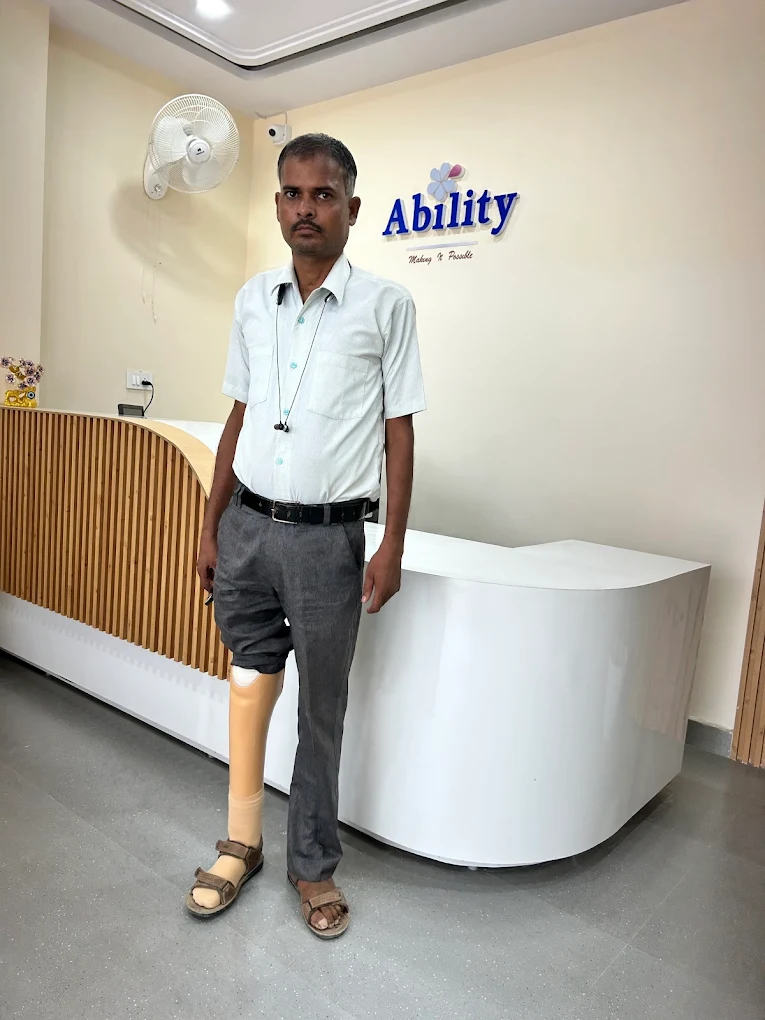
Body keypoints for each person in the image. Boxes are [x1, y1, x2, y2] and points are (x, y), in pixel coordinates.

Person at [185, 133, 426, 938]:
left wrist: (391, 544)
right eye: (292, 193)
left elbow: (398, 432)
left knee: (321, 707)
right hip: (247, 528)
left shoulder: (386, 306)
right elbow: (238, 414)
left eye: (322, 195)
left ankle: (313, 866)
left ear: (350, 208)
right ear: (277, 204)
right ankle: (240, 842)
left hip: (329, 542)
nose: (305, 208)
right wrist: (211, 524)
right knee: (248, 681)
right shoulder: (252, 300)